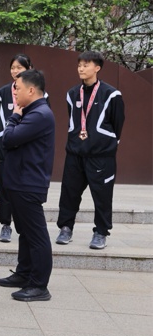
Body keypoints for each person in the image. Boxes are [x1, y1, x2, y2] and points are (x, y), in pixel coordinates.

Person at [56, 51, 125, 250]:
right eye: (79, 65)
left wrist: (104, 144)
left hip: (101, 157)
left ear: (97, 68)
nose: (81, 68)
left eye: (86, 65)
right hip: (75, 154)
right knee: (69, 193)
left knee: (102, 196)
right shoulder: (72, 94)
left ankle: (101, 232)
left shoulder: (111, 94)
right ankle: (66, 228)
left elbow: (118, 124)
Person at [0, 69, 55, 301]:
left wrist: (13, 117)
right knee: (25, 232)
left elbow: (9, 139)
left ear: (31, 90)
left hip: (28, 183)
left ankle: (39, 285)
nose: (15, 93)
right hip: (19, 181)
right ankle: (24, 273)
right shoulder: (32, 112)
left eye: (18, 89)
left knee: (36, 234)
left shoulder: (39, 114)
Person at [0, 54, 45, 243]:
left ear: (29, 69)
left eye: (19, 68)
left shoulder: (38, 95)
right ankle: (5, 224)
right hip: (6, 146)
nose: (15, 71)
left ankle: (22, 225)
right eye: (13, 67)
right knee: (4, 188)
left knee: (21, 192)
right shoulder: (1, 93)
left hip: (25, 149)